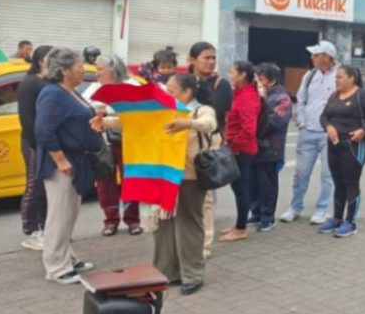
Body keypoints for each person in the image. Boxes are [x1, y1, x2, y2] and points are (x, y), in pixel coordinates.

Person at [92, 74, 217, 295]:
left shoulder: (199, 110)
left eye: (171, 90)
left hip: (188, 176)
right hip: (162, 173)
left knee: (188, 224)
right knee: (163, 225)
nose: (165, 94)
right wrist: (105, 123)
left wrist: (186, 123)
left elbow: (210, 124)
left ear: (187, 93)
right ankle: (167, 272)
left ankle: (193, 274)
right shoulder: (160, 110)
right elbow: (131, 121)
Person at [35, 48, 102, 284]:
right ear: (64, 71)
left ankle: (68, 259)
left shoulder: (70, 92)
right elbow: (44, 131)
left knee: (69, 213)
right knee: (59, 215)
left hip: (77, 160)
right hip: (61, 165)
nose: (84, 68)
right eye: (79, 65)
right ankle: (55, 267)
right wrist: (60, 160)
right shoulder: (52, 94)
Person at [319, 65, 365, 238]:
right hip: (334, 145)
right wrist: (329, 127)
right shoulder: (334, 96)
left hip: (353, 145)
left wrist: (363, 130)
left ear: (351, 78)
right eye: (336, 77)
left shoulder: (362, 95)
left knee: (351, 183)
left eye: (340, 77)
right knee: (338, 183)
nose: (336, 80)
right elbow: (323, 116)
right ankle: (337, 218)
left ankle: (351, 222)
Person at [280, 41, 339, 225]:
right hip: (308, 132)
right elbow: (301, 99)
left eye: (316, 55)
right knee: (300, 173)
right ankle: (295, 207)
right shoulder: (309, 75)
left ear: (327, 57)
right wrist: (302, 123)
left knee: (328, 175)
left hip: (329, 133)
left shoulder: (340, 76)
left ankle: (322, 210)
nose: (312, 58)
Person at [84, 54, 142, 236]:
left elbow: (137, 111)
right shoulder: (93, 88)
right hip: (104, 143)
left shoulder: (132, 85)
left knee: (131, 181)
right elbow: (87, 110)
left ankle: (133, 220)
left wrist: (107, 110)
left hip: (129, 141)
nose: (97, 74)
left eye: (100, 70)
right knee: (104, 182)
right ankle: (110, 220)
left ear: (113, 70)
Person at [187, 41, 232, 257]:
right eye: (207, 57)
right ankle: (187, 238)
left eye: (214, 57)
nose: (211, 62)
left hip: (207, 145)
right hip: (183, 145)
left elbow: (217, 113)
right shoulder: (182, 81)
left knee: (205, 198)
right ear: (192, 59)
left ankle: (204, 245)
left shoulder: (220, 85)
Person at [17, 44, 53, 251]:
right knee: (34, 186)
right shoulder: (29, 84)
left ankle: (47, 228)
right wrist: (36, 144)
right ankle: (31, 231)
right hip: (34, 142)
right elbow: (27, 118)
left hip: (48, 141)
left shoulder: (49, 82)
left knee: (47, 187)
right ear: (41, 61)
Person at [219, 61, 260, 242]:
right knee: (238, 187)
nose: (230, 75)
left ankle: (241, 228)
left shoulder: (248, 97)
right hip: (237, 148)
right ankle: (239, 224)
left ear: (242, 75)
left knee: (241, 188)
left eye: (232, 71)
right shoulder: (240, 93)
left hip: (242, 150)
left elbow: (249, 129)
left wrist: (233, 145)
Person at [251, 63, 292, 232]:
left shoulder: (282, 97)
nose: (257, 82)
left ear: (271, 79)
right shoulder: (257, 93)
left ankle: (268, 217)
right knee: (253, 183)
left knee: (267, 184)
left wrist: (261, 103)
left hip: (270, 147)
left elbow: (275, 121)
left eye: (260, 79)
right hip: (254, 146)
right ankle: (256, 212)